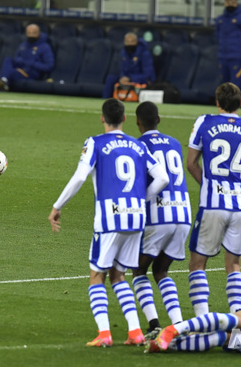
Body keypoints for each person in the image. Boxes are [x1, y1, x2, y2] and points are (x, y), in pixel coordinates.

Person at [48, 98, 169, 347]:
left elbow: (80, 176)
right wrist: (140, 200)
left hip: (109, 219)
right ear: (124, 119)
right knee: (118, 275)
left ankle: (104, 334)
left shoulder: (95, 143)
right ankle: (135, 332)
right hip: (136, 218)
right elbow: (163, 178)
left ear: (102, 118)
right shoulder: (138, 146)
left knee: (96, 276)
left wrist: (57, 206)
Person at [186, 83, 241, 317]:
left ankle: (202, 319)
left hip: (213, 203)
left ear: (217, 103)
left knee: (197, 264)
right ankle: (238, 318)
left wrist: (208, 184)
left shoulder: (204, 122)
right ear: (239, 103)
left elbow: (191, 162)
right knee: (234, 264)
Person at [132, 101, 192, 340]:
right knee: (161, 270)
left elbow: (156, 180)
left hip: (159, 216)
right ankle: (178, 325)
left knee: (138, 270)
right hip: (183, 214)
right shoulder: (175, 143)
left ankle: (155, 324)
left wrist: (142, 203)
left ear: (138, 122)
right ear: (159, 119)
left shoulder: (138, 146)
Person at [0, 23, 54, 91]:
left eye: (34, 33)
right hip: (20, 69)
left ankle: (3, 84)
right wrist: (21, 61)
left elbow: (49, 66)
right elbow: (16, 59)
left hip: (32, 73)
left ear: (39, 33)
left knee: (11, 72)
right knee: (8, 59)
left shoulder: (45, 47)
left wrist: (33, 63)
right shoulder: (23, 46)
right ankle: (4, 80)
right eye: (29, 33)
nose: (31, 35)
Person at [215, 0, 241, 91]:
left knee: (235, 83)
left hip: (237, 58)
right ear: (224, 3)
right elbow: (217, 37)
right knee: (223, 84)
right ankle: (224, 104)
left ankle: (235, 104)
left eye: (233, 3)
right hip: (223, 57)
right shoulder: (220, 20)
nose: (230, 5)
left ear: (237, 3)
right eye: (228, 2)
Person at [103, 32, 155, 99]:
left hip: (141, 79)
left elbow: (148, 74)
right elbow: (123, 69)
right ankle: (105, 102)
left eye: (132, 41)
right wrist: (123, 77)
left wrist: (130, 78)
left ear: (137, 42)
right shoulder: (123, 53)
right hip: (128, 78)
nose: (129, 44)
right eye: (127, 42)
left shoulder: (145, 53)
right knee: (110, 78)